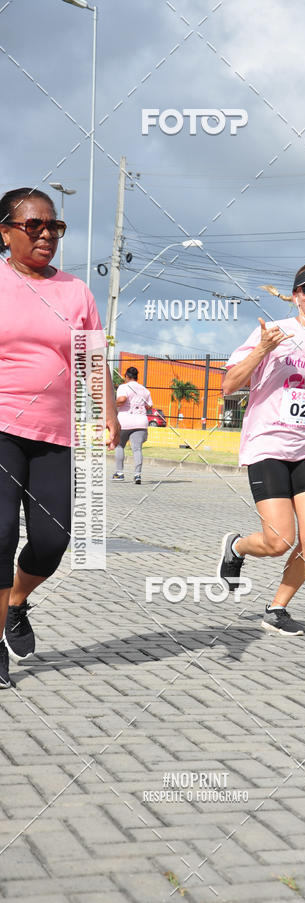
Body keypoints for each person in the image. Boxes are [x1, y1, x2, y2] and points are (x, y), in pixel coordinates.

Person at [0, 187, 119, 687]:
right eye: (34, 225)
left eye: (55, 226)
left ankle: (16, 602)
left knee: (54, 539)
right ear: (5, 231)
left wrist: (110, 412)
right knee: (0, 534)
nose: (47, 234)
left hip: (56, 433)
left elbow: (93, 361)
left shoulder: (75, 291)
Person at [217, 263, 305, 636]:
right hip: (267, 444)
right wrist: (261, 350)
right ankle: (238, 547)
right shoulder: (274, 332)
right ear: (296, 296)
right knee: (278, 540)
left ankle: (277, 608)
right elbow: (229, 385)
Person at [114, 366, 153, 484]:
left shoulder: (123, 387)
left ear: (126, 376)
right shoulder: (145, 390)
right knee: (137, 449)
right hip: (141, 422)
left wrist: (111, 404)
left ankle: (119, 473)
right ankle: (137, 475)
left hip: (125, 421)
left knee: (120, 446)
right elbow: (149, 406)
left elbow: (122, 399)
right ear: (137, 377)